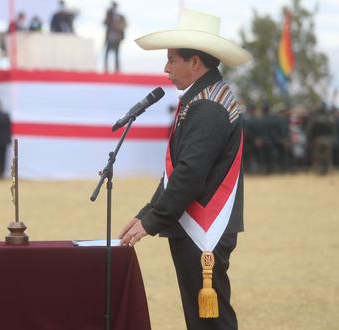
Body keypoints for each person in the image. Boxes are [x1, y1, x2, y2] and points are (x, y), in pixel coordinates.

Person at [119, 9, 251, 329]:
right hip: (196, 227)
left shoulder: (207, 105)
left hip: (203, 231)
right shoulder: (202, 96)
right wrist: (147, 212)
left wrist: (153, 220)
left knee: (211, 321)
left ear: (195, 62)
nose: (166, 68)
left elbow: (189, 174)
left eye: (172, 59)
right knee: (203, 318)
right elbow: (177, 172)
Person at [103, 2, 127, 73]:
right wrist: (108, 15)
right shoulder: (109, 16)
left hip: (117, 39)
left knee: (116, 55)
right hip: (109, 39)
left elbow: (124, 25)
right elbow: (104, 23)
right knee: (106, 54)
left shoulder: (121, 17)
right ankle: (106, 69)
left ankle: (117, 70)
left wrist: (115, 25)